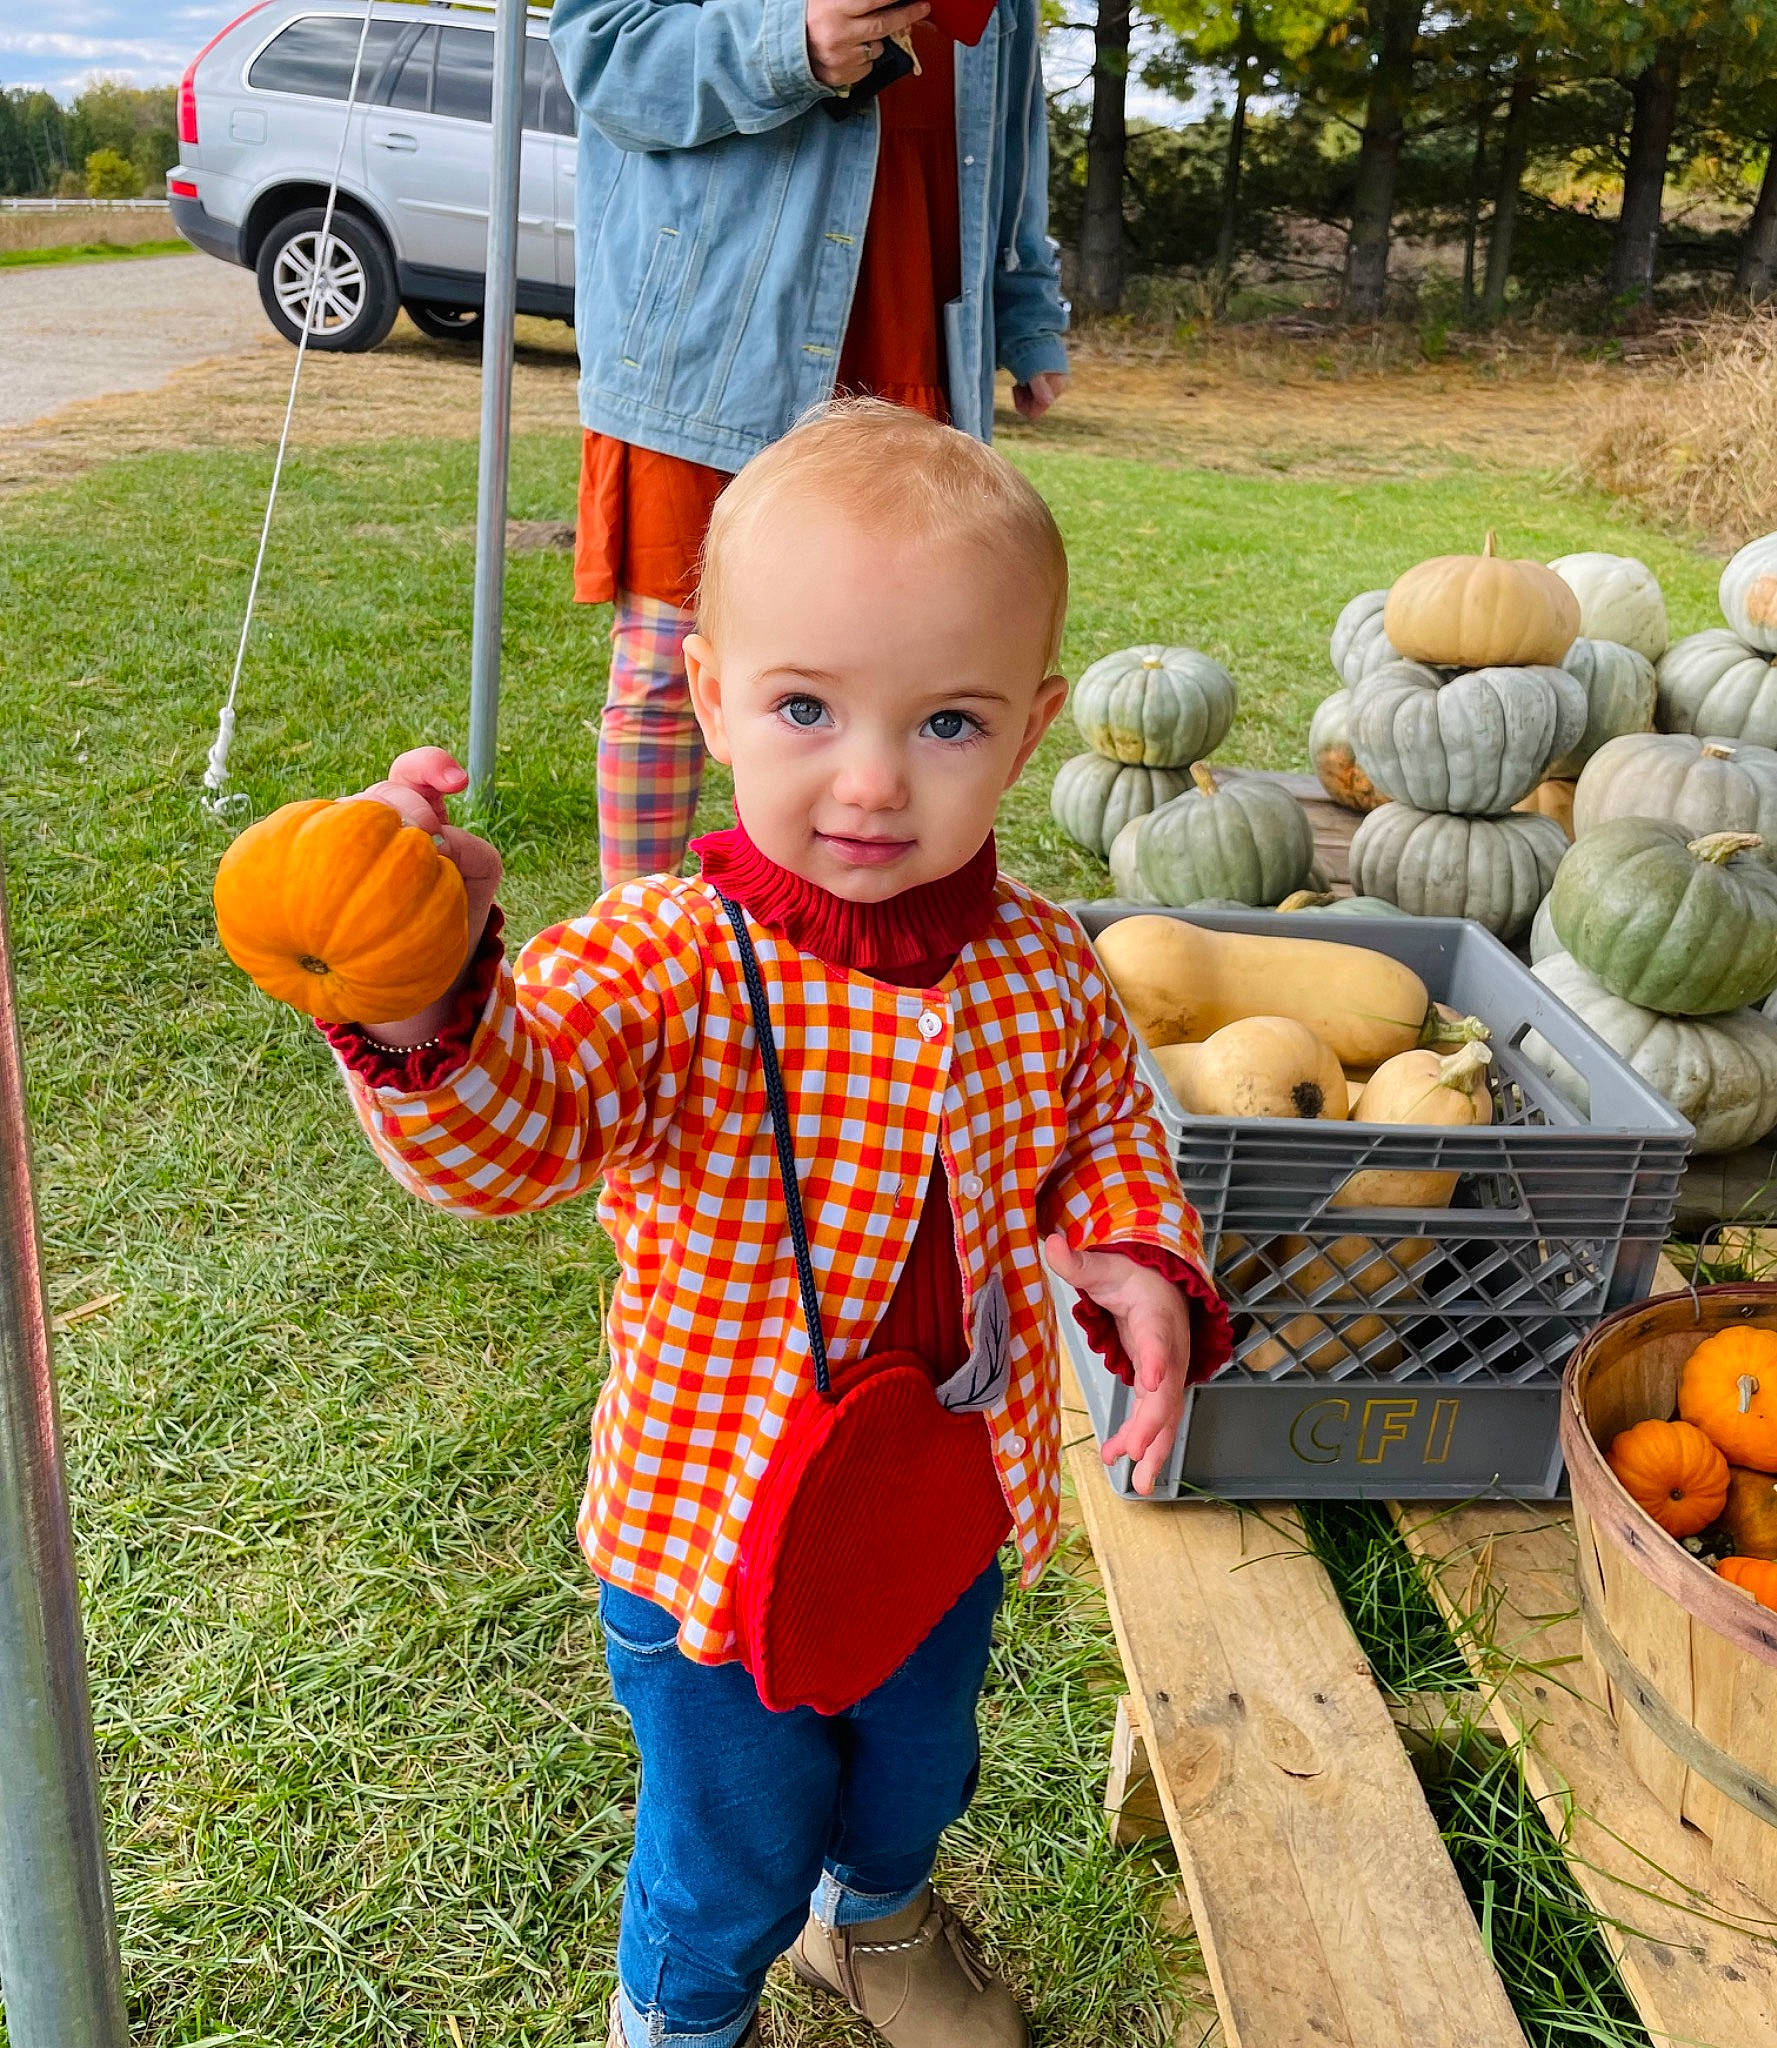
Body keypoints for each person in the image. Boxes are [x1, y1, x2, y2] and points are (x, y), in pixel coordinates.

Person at [316, 405, 1227, 2048]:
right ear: (711, 698)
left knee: (915, 1757)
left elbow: (1100, 1126)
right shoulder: (667, 963)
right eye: (806, 704)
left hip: (942, 1498)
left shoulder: (1043, 961)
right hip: (715, 1546)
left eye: (944, 719)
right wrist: (430, 990)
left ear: (1026, 733)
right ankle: (680, 2009)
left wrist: (1130, 1250)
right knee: (727, 1834)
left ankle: (867, 1917)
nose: (873, 778)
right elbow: (512, 1119)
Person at [549, 0, 1071, 889]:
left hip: (914, 328)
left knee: (911, 676)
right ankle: (638, 952)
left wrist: (1026, 316)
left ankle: (846, 968)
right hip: (711, 338)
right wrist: (786, 47)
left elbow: (1010, 140)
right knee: (669, 677)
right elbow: (604, 61)